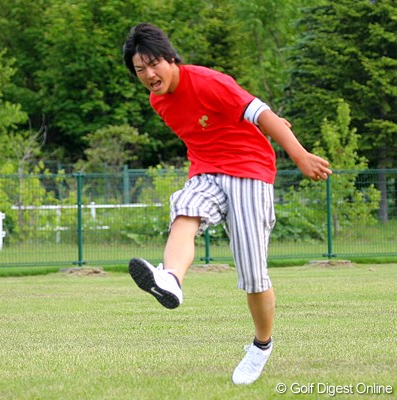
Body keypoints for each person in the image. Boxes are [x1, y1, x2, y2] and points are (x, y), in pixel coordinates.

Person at [122, 23, 332, 385]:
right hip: (206, 171)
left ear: (171, 58)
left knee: (253, 276)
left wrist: (299, 156)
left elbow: (260, 113)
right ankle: (170, 279)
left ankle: (261, 345)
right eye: (140, 70)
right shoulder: (157, 101)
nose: (149, 75)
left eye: (153, 64)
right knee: (185, 207)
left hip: (250, 171)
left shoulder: (207, 81)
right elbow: (204, 133)